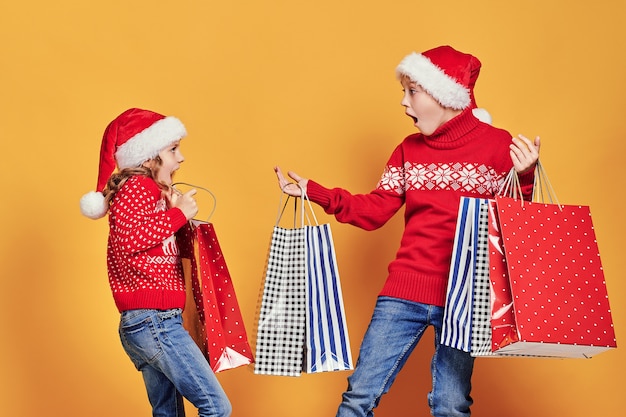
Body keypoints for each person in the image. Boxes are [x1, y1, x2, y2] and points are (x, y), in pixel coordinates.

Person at [274, 45, 540, 417]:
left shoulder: (498, 146)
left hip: (464, 298)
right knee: (358, 397)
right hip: (404, 292)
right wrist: (315, 192)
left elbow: (515, 228)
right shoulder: (408, 150)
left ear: (444, 94)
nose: (403, 102)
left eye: (412, 91)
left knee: (451, 404)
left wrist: (525, 177)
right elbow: (375, 209)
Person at [80, 108, 232, 417]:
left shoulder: (149, 192)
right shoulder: (139, 188)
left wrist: (173, 213)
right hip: (155, 321)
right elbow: (129, 241)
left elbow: (148, 243)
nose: (181, 158)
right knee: (217, 407)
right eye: (173, 149)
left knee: (167, 413)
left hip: (151, 321)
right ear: (149, 157)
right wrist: (178, 215)